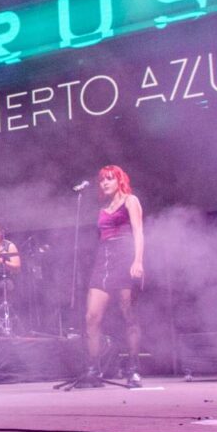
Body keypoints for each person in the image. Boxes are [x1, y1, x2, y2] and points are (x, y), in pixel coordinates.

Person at [78, 165, 145, 388]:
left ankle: (133, 369)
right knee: (92, 317)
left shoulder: (130, 200)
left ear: (119, 181)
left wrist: (138, 260)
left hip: (125, 256)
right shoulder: (103, 208)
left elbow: (138, 231)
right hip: (103, 259)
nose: (104, 183)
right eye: (101, 180)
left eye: (109, 179)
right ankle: (93, 369)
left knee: (129, 314)